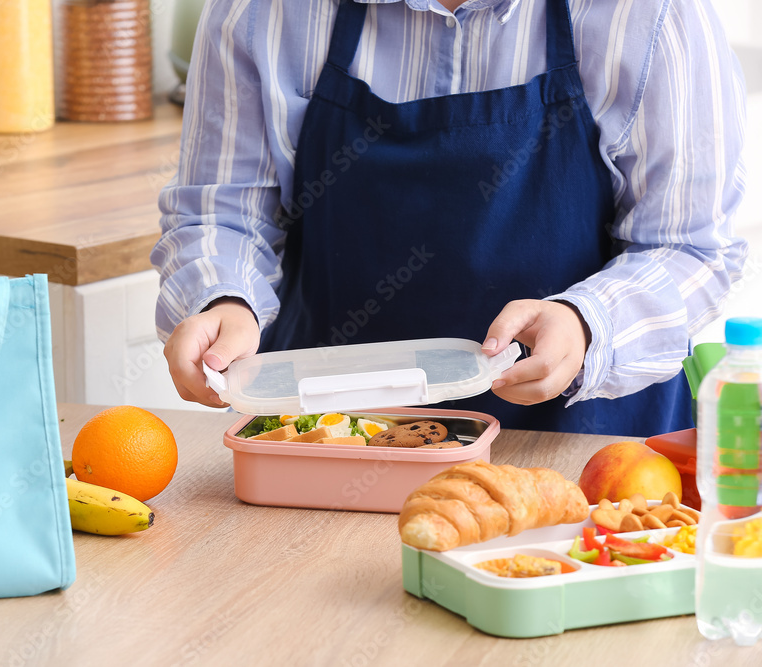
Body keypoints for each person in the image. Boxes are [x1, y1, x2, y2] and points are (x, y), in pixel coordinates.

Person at [152, 0, 749, 436]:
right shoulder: (258, 12)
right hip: (330, 441)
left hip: (584, 452)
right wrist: (222, 301)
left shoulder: (651, 15)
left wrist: (586, 322)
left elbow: (692, 247)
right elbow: (221, 216)